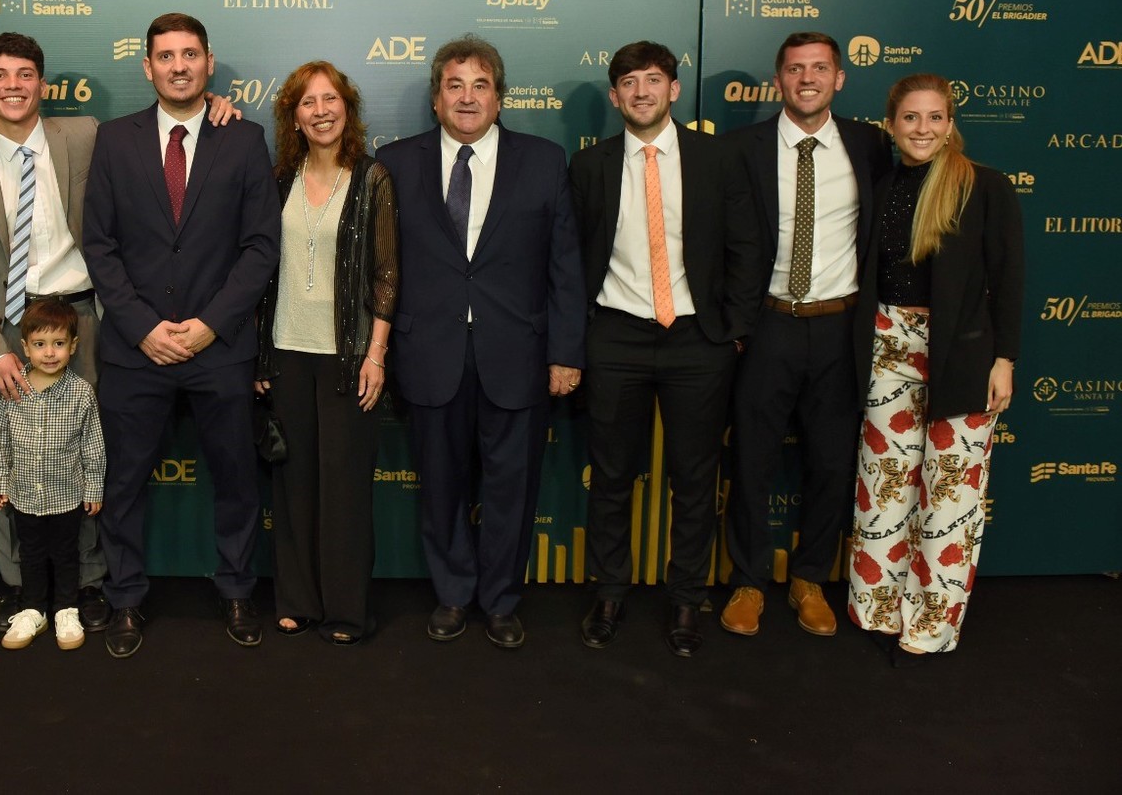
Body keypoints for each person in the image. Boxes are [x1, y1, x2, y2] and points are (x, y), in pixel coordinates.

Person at [376, 35, 585, 650]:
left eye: (480, 85)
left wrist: (565, 353)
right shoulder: (395, 162)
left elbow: (565, 265)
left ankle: (500, 600)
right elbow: (380, 266)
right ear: (436, 98)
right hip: (428, 352)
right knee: (440, 485)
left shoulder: (544, 161)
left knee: (511, 488)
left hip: (518, 354)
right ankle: (452, 594)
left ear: (500, 97)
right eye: (454, 85)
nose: (467, 98)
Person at [83, 12, 280, 658]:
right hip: (134, 350)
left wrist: (208, 326)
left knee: (237, 478)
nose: (178, 66)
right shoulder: (113, 140)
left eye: (189, 54)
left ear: (208, 62)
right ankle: (125, 598)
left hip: (218, 349)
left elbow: (260, 246)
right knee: (123, 483)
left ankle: (237, 589)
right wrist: (143, 328)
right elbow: (99, 246)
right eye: (165, 56)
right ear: (147, 66)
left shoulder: (244, 139)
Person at [569, 40, 762, 658]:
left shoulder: (716, 158)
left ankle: (686, 599)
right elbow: (570, 259)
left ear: (674, 89)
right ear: (614, 96)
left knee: (696, 478)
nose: (642, 91)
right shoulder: (589, 165)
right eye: (629, 82)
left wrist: (733, 329)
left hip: (697, 339)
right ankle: (609, 593)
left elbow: (747, 247)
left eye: (653, 79)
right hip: (615, 335)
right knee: (611, 476)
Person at [846, 73, 1023, 665]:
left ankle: (930, 623)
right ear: (891, 125)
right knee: (885, 483)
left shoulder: (985, 186)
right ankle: (876, 608)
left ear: (951, 125)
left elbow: (1010, 279)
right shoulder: (883, 186)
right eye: (911, 118)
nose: (923, 129)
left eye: (935, 118)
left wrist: (1005, 359)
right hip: (887, 345)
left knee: (949, 495)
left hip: (962, 353)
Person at [721, 33, 891, 639]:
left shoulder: (872, 145)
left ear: (839, 79)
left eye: (820, 68)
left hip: (841, 326)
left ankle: (811, 578)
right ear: (779, 80)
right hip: (767, 325)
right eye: (796, 69)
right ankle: (748, 580)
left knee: (831, 459)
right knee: (752, 458)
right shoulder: (741, 148)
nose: (808, 78)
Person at [0, 32, 108, 633]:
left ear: (42, 83)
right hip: (3, 329)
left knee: (80, 456)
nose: (13, 86)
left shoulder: (85, 135)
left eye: (25, 74)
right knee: (8, 464)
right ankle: (20, 586)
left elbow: (162, 129)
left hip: (78, 323)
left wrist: (215, 108)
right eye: (0, 75)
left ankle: (85, 583)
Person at [255, 61, 398, 645]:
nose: (321, 111)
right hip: (286, 352)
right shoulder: (277, 180)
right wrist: (259, 356)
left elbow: (386, 272)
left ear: (347, 109)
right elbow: (261, 273)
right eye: (308, 102)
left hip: (349, 356)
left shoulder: (372, 179)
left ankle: (346, 611)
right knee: (293, 487)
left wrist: (376, 353)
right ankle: (298, 601)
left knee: (344, 489)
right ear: (294, 117)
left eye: (330, 99)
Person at [0, 299, 106, 651]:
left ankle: (66, 610)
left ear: (73, 346)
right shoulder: (13, 390)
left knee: (66, 554)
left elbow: (93, 445)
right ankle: (33, 610)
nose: (50, 353)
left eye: (58, 344)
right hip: (24, 495)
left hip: (66, 495)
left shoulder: (81, 393)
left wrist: (93, 487)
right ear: (25, 348)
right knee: (32, 554)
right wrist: (0, 480)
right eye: (40, 344)